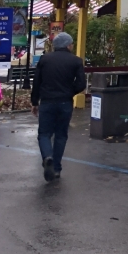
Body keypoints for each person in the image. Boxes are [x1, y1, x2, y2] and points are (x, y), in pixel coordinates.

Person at [31, 32, 86, 182]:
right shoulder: (76, 61)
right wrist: (70, 92)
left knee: (44, 134)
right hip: (65, 102)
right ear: (68, 45)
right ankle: (56, 168)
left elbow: (36, 82)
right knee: (61, 135)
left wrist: (35, 101)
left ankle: (47, 156)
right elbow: (81, 84)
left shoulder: (44, 59)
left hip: (47, 101)